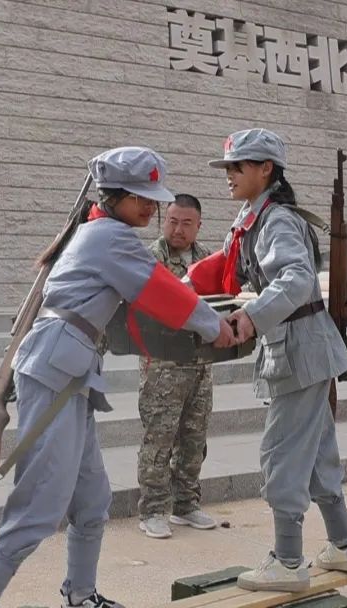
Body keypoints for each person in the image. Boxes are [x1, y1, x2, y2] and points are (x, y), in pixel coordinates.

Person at [0, 147, 236, 608]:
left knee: (91, 500)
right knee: (40, 505)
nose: (150, 206)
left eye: (152, 198)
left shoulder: (100, 232)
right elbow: (160, 290)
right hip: (57, 371)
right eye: (139, 197)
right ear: (114, 197)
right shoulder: (110, 237)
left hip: (69, 370)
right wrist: (214, 325)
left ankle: (80, 596)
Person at [188, 128, 347, 593]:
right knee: (318, 453)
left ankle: (288, 562)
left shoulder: (277, 220)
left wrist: (250, 317)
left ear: (266, 169)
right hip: (299, 348)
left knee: (281, 454)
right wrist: (178, 290)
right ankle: (344, 546)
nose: (229, 175)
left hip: (300, 348)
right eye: (228, 167)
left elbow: (296, 277)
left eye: (238, 166)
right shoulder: (254, 217)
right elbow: (224, 266)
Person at [136, 194, 218, 538]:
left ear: (198, 226)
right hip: (163, 368)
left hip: (201, 365)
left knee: (194, 440)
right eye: (172, 221)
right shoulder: (149, 259)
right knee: (159, 440)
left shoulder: (208, 260)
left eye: (186, 223)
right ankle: (153, 510)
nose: (178, 229)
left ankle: (186, 505)